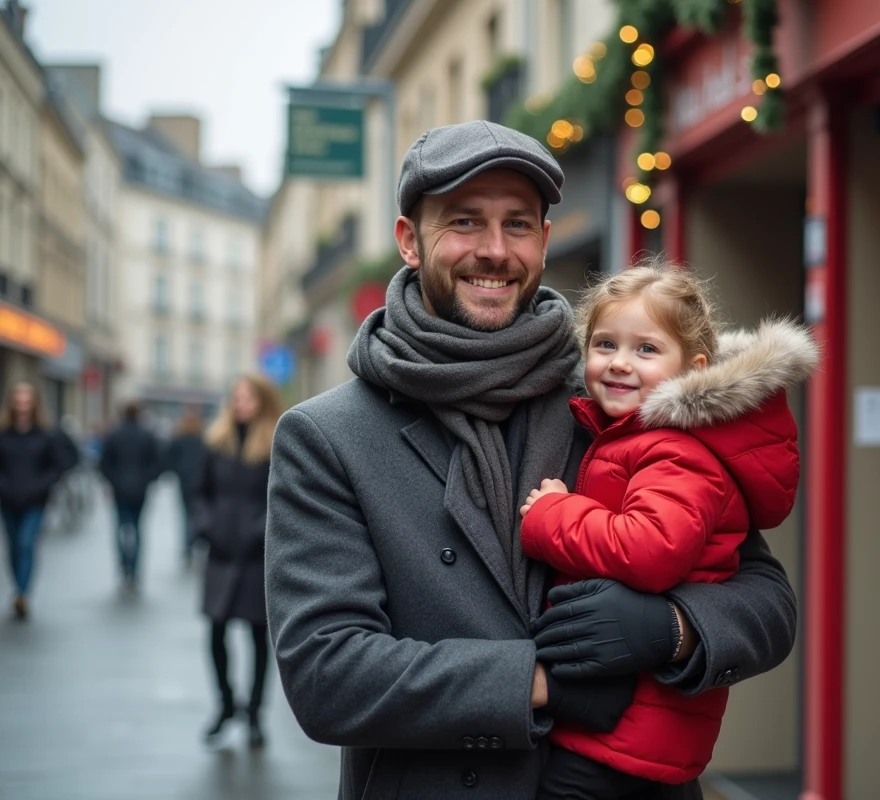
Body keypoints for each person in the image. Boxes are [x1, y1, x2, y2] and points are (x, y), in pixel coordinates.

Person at [265, 120, 799, 799]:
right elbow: (326, 674)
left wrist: (669, 630)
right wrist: (542, 683)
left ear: (544, 243)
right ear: (409, 240)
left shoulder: (615, 399)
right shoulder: (328, 436)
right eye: (464, 221)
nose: (494, 250)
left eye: (518, 225)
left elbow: (767, 602)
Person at [518, 265, 815, 798]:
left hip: (623, 734)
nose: (620, 363)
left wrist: (551, 515)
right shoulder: (628, 438)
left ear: (693, 369)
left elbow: (652, 550)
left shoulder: (675, 450)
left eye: (646, 349)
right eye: (605, 343)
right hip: (627, 725)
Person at [193, 375, 282, 749]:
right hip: (219, 553)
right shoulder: (216, 442)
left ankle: (256, 714)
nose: (241, 403)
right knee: (215, 632)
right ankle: (226, 703)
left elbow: (282, 497)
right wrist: (205, 525)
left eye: (248, 397)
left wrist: (259, 532)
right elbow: (198, 492)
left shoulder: (275, 442)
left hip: (255, 556)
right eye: (236, 397)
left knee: (257, 636)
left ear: (261, 400)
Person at [0, 381, 74, 619]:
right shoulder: (4, 433)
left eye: (26, 401)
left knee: (26, 543)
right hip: (8, 499)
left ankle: (22, 593)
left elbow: (58, 466)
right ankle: (18, 587)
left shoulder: (45, 434)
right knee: (13, 547)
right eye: (18, 401)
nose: (22, 405)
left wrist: (41, 486)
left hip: (35, 501)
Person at [99, 402, 163, 590]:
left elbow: (104, 463)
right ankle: (134, 569)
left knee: (121, 528)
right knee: (137, 529)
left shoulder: (114, 435)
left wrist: (113, 481)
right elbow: (158, 463)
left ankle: (124, 566)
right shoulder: (147, 436)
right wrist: (146, 480)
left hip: (119, 490)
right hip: (140, 490)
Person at [164, 408, 207, 563]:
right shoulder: (202, 440)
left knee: (185, 514)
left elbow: (169, 460)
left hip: (184, 481)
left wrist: (178, 471)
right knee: (197, 512)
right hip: (199, 481)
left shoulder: (179, 440)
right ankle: (196, 540)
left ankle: (187, 544)